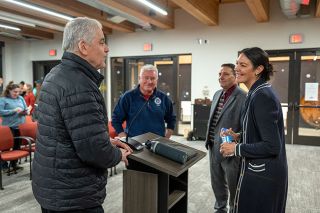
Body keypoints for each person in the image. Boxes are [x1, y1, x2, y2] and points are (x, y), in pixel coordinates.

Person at [32, 17, 132, 213]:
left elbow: (66, 135)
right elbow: (93, 150)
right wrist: (118, 154)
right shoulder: (80, 86)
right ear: (83, 47)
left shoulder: (55, 74)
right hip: (74, 196)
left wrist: (105, 141)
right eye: (102, 42)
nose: (107, 48)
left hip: (54, 189)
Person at [220, 47, 288, 213]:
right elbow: (261, 130)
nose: (237, 68)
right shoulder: (254, 92)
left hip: (265, 176)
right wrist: (239, 136)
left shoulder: (263, 96)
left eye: (243, 65)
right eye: (237, 63)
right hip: (257, 171)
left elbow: (272, 146)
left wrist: (236, 148)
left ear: (258, 69)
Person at [205, 63, 246, 213]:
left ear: (235, 76)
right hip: (212, 145)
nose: (221, 77)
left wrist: (236, 141)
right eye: (220, 74)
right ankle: (220, 208)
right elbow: (213, 121)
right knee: (217, 181)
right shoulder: (217, 94)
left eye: (226, 74)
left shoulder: (243, 97)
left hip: (229, 149)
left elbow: (245, 126)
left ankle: (234, 209)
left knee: (233, 183)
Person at [112, 64, 176, 139]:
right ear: (139, 78)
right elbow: (116, 120)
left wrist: (166, 138)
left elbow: (172, 120)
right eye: (146, 78)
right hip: (134, 144)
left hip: (157, 144)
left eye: (153, 78)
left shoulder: (164, 98)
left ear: (157, 80)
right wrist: (124, 139)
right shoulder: (128, 97)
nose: (149, 81)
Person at [0, 82, 28, 171]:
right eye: (14, 92)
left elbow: (25, 109)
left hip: (19, 125)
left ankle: (13, 164)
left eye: (18, 92)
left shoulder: (20, 98)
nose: (17, 94)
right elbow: (1, 112)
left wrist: (25, 111)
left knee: (17, 146)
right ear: (9, 91)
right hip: (8, 127)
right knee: (6, 147)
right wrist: (13, 111)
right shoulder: (3, 99)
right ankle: (4, 165)